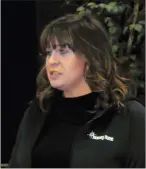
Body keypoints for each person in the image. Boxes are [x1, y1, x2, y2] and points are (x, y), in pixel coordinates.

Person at [8, 13, 145, 168]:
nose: (52, 61)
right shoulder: (38, 111)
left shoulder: (130, 118)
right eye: (49, 52)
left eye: (63, 51)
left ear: (91, 56)